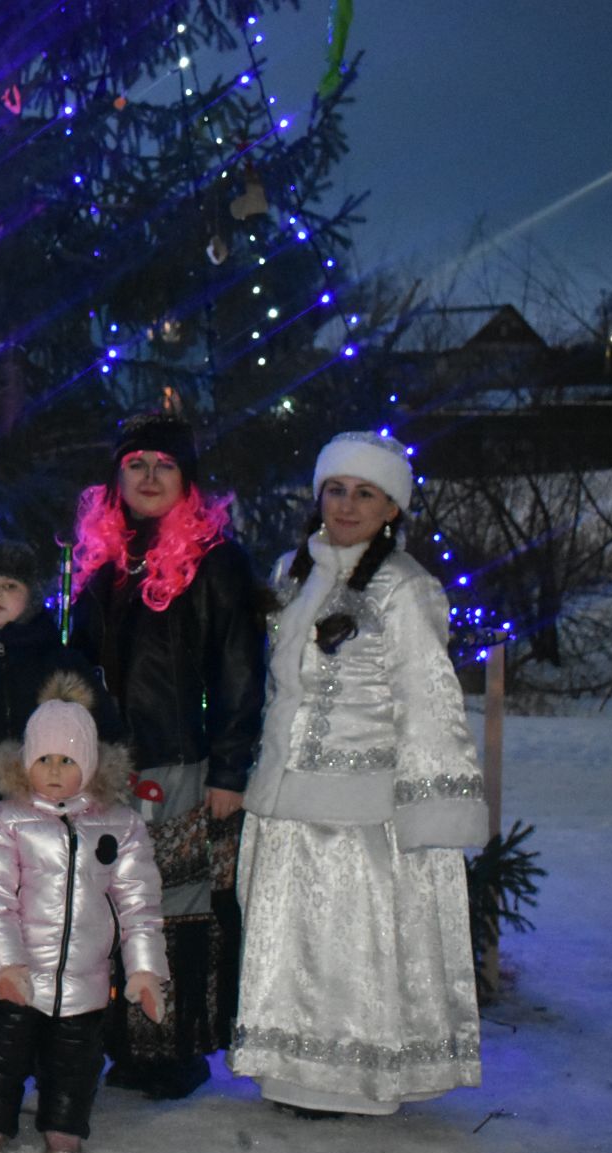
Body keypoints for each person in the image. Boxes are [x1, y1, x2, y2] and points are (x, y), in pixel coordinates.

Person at [230, 431, 486, 1117]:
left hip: (360, 809)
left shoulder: (407, 588)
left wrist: (432, 805)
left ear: (392, 508)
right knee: (289, 947)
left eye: (365, 493)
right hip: (285, 797)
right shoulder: (293, 571)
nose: (346, 505)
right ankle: (291, 1074)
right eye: (336, 489)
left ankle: (355, 1081)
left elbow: (432, 700)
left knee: (349, 952)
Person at [65, 414, 266, 1100]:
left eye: (164, 466)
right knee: (109, 906)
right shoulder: (100, 562)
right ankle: (119, 1040)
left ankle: (171, 1049)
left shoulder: (217, 562)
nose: (149, 477)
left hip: (179, 761)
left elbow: (241, 672)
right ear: (117, 479)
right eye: (136, 464)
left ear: (188, 480)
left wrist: (230, 770)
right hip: (106, 764)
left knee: (174, 907)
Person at [0, 539, 126, 1092]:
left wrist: (84, 805)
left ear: (31, 599)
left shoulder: (61, 665)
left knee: (54, 944)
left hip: (55, 837)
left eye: (9, 588)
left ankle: (52, 1063)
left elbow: (103, 740)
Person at [0, 677, 167, 1153]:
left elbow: (139, 903)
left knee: (74, 1063)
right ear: (26, 760)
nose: (54, 771)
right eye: (44, 759)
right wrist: (4, 964)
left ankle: (64, 1128)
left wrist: (144, 970)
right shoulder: (1, 820)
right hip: (18, 973)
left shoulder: (120, 824)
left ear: (90, 765)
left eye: (67, 761)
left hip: (86, 978)